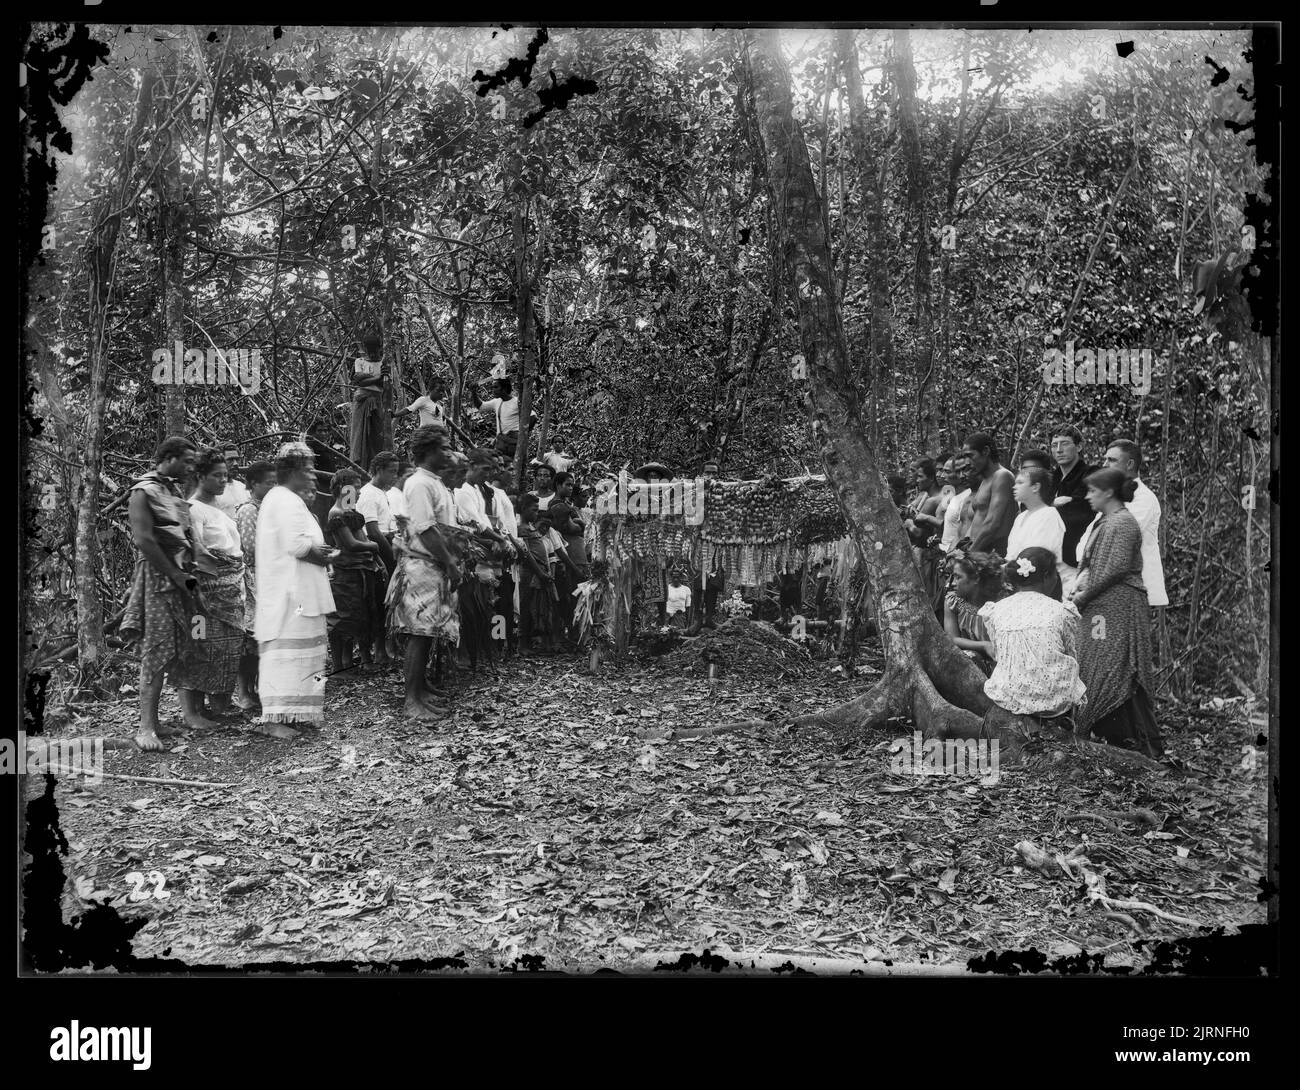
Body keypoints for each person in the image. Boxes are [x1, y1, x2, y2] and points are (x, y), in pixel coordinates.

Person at [1070, 468, 1162, 757]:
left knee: (1116, 667)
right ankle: (1104, 732)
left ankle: (1134, 740)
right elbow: (1093, 567)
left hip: (1118, 606)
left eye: (1092, 491)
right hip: (1103, 606)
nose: (1088, 497)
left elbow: (1114, 568)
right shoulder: (1107, 521)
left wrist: (1083, 595)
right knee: (1098, 663)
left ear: (1108, 492)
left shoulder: (1123, 523)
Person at [121, 436, 205, 750]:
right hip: (158, 578)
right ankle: (145, 728)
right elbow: (144, 539)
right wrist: (174, 574)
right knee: (155, 650)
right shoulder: (142, 491)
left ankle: (157, 722)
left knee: (178, 646)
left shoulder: (172, 489)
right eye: (186, 460)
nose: (190, 467)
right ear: (169, 458)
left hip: (180, 577)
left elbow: (183, 535)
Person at [255, 443, 338, 738]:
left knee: (304, 653)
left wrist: (320, 552)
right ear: (291, 472)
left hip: (300, 591)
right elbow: (299, 546)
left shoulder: (287, 499)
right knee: (284, 655)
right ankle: (273, 720)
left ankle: (295, 713)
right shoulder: (284, 500)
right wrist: (323, 554)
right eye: (308, 470)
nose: (314, 476)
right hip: (290, 595)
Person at [387, 425, 463, 721]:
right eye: (444, 448)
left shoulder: (436, 482)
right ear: (429, 452)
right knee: (418, 633)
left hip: (436, 565)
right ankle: (411, 700)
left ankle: (421, 688)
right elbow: (425, 529)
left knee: (429, 631)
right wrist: (449, 561)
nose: (449, 453)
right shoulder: (419, 483)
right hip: (424, 565)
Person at [978, 547, 1086, 725]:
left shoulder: (996, 610)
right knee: (1070, 669)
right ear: (1046, 576)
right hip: (1055, 701)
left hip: (1010, 696)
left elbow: (1000, 654)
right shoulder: (1061, 611)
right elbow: (1071, 653)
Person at [183, 449, 247, 720]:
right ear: (200, 476)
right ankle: (194, 711)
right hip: (208, 589)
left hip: (231, 587)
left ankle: (219, 703)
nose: (223, 480)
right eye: (216, 475)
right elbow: (195, 552)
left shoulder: (218, 509)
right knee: (201, 645)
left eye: (225, 475)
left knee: (228, 646)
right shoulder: (193, 509)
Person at [1075, 440, 1167, 609]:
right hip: (1105, 590)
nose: (1104, 465)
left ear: (1130, 463)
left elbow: (1117, 547)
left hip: (1134, 592)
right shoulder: (1111, 500)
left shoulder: (1144, 499)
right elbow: (1086, 543)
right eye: (1105, 460)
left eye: (1111, 460)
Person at [324, 469, 383, 673]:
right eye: (355, 488)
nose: (359, 492)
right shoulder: (336, 513)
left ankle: (364, 660)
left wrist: (377, 558)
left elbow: (362, 538)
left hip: (362, 569)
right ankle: (340, 666)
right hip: (346, 572)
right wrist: (374, 547)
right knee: (344, 619)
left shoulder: (351, 511)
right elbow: (351, 544)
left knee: (364, 615)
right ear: (343, 489)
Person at [233, 460, 275, 712]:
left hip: (269, 577)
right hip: (255, 578)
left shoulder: (268, 507)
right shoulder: (249, 510)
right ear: (253, 484)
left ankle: (259, 688)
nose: (272, 486)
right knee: (251, 639)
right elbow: (251, 549)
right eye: (268, 482)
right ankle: (244, 691)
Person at [943, 550, 1005, 674]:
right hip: (970, 661)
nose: (952, 583)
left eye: (958, 577)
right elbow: (952, 638)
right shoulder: (953, 602)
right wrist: (983, 645)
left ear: (976, 579)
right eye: (952, 576)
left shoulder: (999, 604)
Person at [1006, 467, 1068, 584]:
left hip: (1040, 582)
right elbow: (1011, 553)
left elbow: (1038, 556)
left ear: (1035, 487)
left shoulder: (1049, 514)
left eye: (1020, 483)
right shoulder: (1020, 517)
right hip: (1016, 578)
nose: (1014, 487)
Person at [1050, 425, 1097, 582]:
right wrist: (1054, 503)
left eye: (1064, 443)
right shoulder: (1051, 478)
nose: (1059, 450)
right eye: (1054, 445)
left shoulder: (1090, 473)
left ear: (1079, 446)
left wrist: (1046, 507)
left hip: (1074, 557)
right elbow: (1028, 507)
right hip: (1049, 556)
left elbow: (1079, 513)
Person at [515, 494, 556, 654]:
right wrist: (539, 572)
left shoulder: (532, 527)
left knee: (536, 607)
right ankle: (522, 644)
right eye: (534, 510)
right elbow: (526, 553)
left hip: (540, 573)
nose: (536, 513)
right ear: (524, 509)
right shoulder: (522, 528)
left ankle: (532, 642)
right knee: (526, 607)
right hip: (530, 574)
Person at [963, 433, 1016, 555]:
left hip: (993, 553)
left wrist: (969, 555)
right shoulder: (985, 480)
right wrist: (962, 548)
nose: (966, 462)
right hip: (978, 550)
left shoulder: (1002, 476)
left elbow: (992, 523)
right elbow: (977, 520)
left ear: (986, 451)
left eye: (970, 456)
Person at [538, 507, 582, 646]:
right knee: (553, 606)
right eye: (562, 521)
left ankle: (561, 638)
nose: (564, 524)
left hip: (558, 571)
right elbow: (560, 553)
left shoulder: (554, 532)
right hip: (551, 571)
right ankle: (552, 640)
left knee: (563, 604)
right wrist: (575, 570)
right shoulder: (544, 532)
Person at [349, 334, 392, 472]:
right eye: (370, 350)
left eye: (375, 350)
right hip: (361, 400)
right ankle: (357, 466)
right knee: (358, 434)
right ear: (365, 350)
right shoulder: (359, 361)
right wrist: (378, 377)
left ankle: (374, 468)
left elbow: (383, 384)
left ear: (380, 349)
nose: (373, 353)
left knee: (376, 436)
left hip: (378, 401)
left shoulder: (384, 363)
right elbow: (358, 381)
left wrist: (368, 378)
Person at [470, 376, 522, 459]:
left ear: (504, 388)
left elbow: (533, 417)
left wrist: (520, 433)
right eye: (492, 387)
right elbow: (481, 406)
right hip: (501, 443)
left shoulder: (516, 402)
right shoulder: (497, 402)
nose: (493, 390)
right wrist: (473, 392)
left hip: (514, 444)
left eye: (496, 387)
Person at [940, 452, 974, 553]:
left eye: (947, 472)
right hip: (946, 551)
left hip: (955, 553)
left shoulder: (967, 497)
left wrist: (953, 553)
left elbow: (963, 532)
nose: (942, 475)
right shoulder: (954, 496)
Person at [213, 442, 251, 516]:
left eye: (237, 459)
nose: (235, 463)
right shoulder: (213, 490)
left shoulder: (243, 487)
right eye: (230, 460)